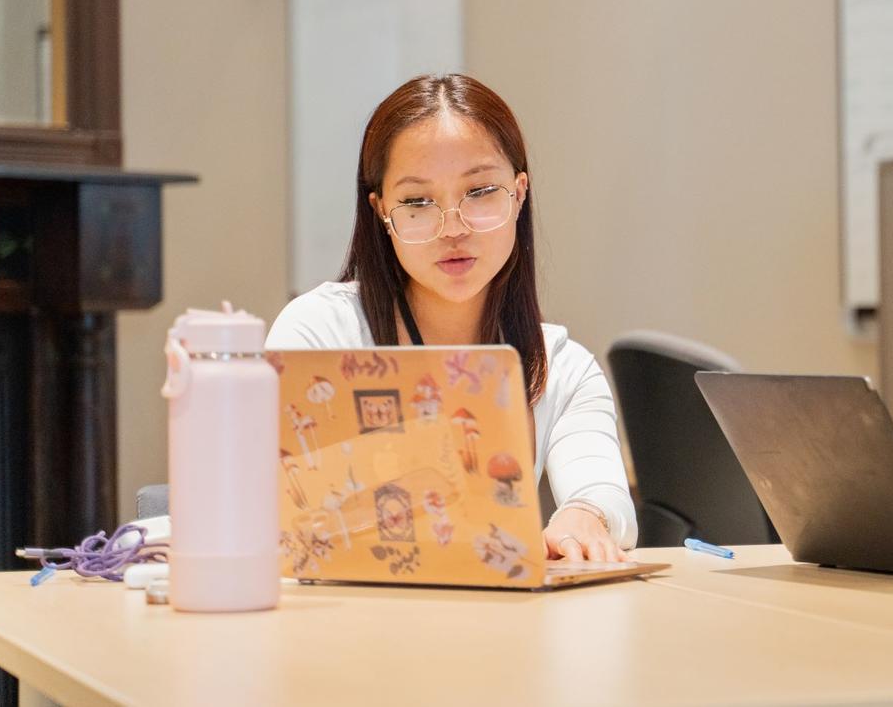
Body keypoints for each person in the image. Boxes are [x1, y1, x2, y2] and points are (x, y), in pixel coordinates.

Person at [266, 73, 635, 561]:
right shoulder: (319, 332)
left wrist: (585, 516)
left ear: (519, 193)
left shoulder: (561, 367)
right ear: (381, 211)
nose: (453, 227)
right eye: (418, 202)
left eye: (480, 191)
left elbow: (604, 495)